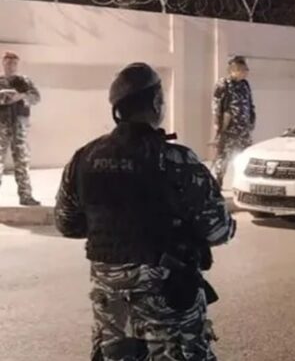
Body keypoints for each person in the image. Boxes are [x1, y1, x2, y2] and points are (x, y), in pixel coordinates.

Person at [54, 62, 236, 360]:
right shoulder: (177, 160)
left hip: (111, 300)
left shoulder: (84, 158)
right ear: (156, 104)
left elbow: (66, 223)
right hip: (169, 295)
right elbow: (218, 230)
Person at [0, 51, 41, 206]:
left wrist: (21, 96)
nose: (11, 65)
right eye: (8, 62)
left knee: (22, 162)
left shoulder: (24, 81)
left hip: (20, 127)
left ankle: (26, 196)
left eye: (14, 63)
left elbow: (36, 97)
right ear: (3, 63)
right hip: (1, 126)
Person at [212, 56, 256, 187]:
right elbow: (216, 106)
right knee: (223, 156)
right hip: (228, 129)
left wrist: (252, 120)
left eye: (246, 70)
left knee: (246, 156)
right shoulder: (223, 84)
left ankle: (243, 181)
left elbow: (250, 104)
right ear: (233, 71)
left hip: (244, 129)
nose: (245, 72)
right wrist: (217, 125)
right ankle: (218, 181)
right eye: (242, 70)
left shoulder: (245, 85)